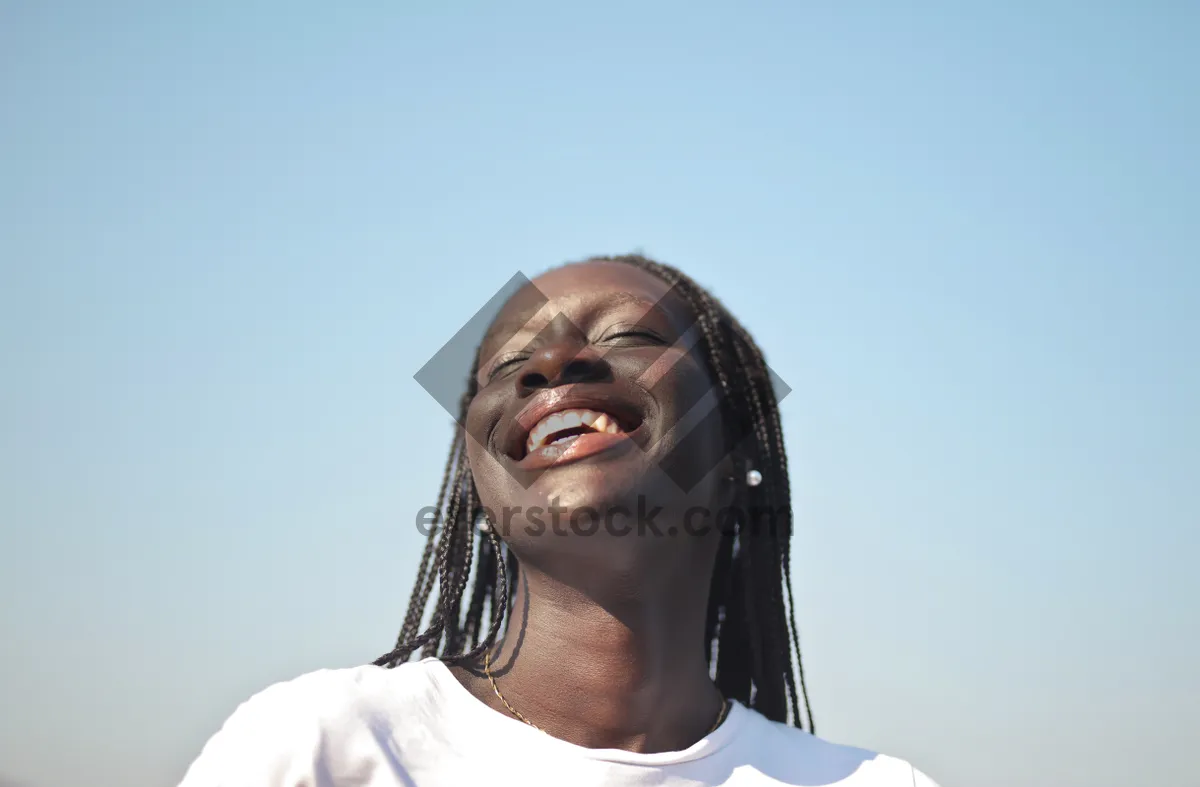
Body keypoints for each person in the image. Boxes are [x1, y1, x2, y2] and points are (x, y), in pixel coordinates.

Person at [179, 255, 940, 786]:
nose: (552, 366)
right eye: (509, 366)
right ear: (477, 493)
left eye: (629, 336)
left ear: (738, 453)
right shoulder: (323, 747)